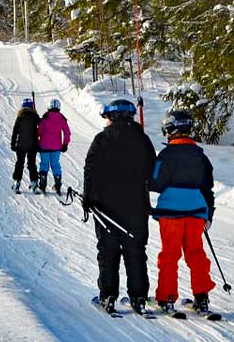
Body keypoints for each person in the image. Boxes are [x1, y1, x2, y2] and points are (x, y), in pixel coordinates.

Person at [83, 98, 156, 315]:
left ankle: (108, 296)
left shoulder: (101, 139)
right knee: (135, 251)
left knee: (108, 251)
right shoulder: (143, 140)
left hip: (106, 208)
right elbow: (153, 172)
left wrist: (89, 198)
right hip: (136, 206)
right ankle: (139, 297)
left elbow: (91, 170)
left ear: (111, 116)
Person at [150, 109, 216, 316]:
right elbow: (208, 187)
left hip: (171, 212)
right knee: (196, 254)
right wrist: (209, 214)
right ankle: (202, 298)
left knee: (170, 254)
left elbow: (156, 183)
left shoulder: (166, 154)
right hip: (196, 211)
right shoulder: (200, 155)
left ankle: (167, 298)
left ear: (170, 128)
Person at [36, 98, 72, 193]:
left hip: (44, 146)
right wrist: (65, 144)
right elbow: (67, 133)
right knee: (55, 164)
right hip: (56, 147)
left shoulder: (45, 117)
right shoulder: (62, 118)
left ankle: (42, 185)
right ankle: (57, 185)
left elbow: (39, 132)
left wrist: (36, 140)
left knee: (44, 164)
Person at [9, 98, 41, 194]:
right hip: (33, 145)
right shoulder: (35, 117)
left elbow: (15, 131)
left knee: (20, 163)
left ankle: (16, 183)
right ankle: (34, 183)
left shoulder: (20, 117)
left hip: (21, 145)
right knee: (32, 164)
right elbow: (42, 125)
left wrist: (13, 144)